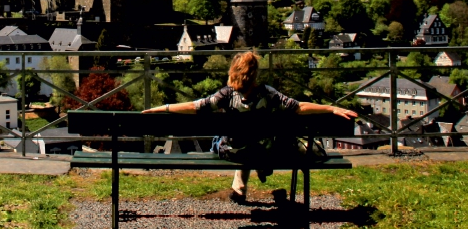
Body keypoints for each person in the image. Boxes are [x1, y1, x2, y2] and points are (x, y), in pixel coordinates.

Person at [143, 51, 358, 203]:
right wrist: (330, 108)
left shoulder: (225, 95)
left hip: (232, 151)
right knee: (252, 141)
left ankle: (239, 188)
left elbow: (194, 106)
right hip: (262, 148)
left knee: (232, 139)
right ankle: (249, 177)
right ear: (254, 74)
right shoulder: (267, 93)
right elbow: (299, 107)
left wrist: (163, 108)